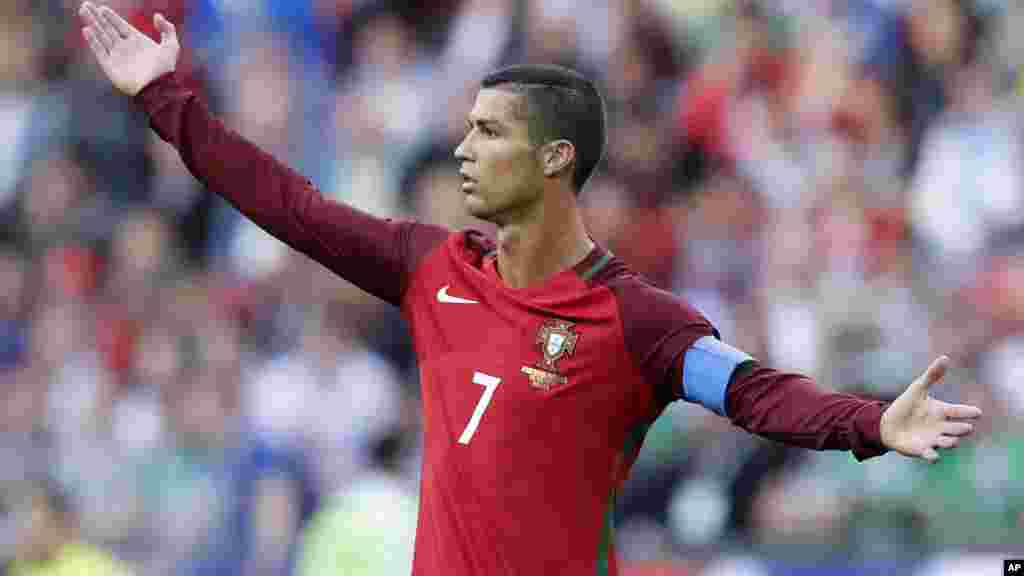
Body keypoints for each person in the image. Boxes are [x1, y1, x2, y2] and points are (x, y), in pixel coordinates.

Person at [77, 3, 984, 574]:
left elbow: (753, 393)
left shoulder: (636, 319)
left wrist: (871, 423)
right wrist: (168, 100)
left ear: (554, 158)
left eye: (488, 133)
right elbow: (291, 208)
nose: (462, 151)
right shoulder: (430, 267)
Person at [6, 478, 135, 576]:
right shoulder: (17, 568)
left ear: (59, 523)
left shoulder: (93, 567)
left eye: (34, 523)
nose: (25, 533)